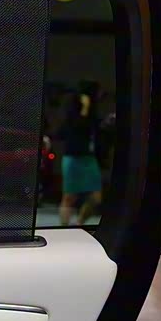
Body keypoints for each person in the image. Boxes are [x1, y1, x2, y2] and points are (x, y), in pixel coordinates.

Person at [58, 88, 102, 225]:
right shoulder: (71, 119)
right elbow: (77, 128)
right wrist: (84, 108)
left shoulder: (91, 118)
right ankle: (63, 227)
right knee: (69, 197)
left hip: (89, 159)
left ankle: (80, 223)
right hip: (73, 159)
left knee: (96, 198)